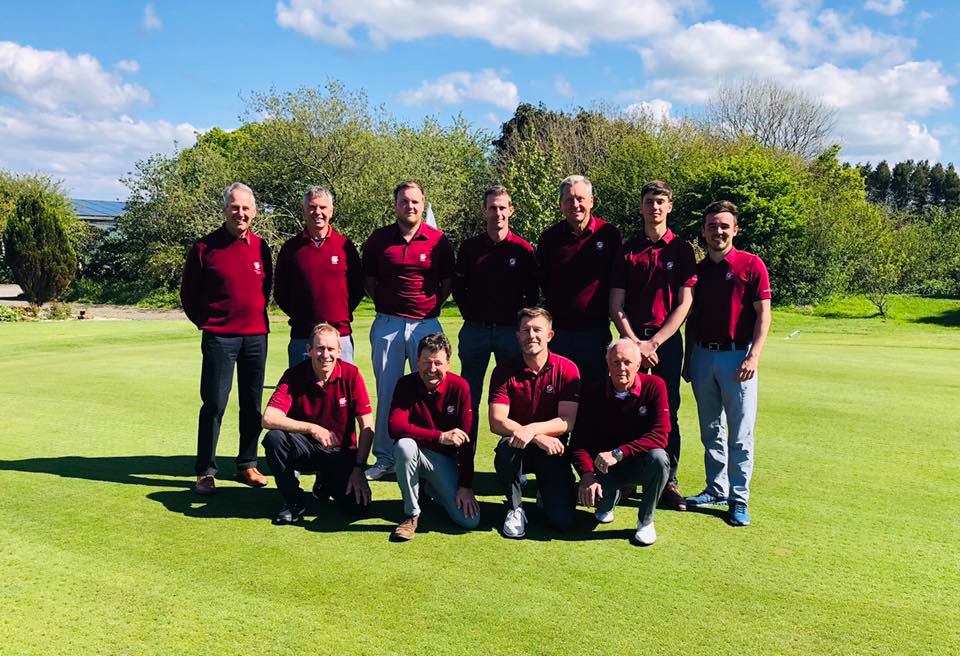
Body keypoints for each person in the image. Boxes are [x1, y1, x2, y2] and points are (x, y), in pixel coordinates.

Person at [683, 200, 772, 527]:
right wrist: (689, 358)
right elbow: (691, 319)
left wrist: (754, 355)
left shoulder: (751, 265)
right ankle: (716, 488)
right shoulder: (698, 271)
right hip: (703, 356)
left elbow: (764, 315)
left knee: (740, 433)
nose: (717, 232)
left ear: (735, 229)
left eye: (724, 226)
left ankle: (738, 498)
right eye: (712, 226)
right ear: (704, 231)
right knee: (711, 430)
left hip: (739, 357)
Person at [180, 182, 272, 496]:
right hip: (220, 337)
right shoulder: (204, 248)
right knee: (215, 403)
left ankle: (247, 463)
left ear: (254, 212)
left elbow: (265, 288)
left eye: (246, 208)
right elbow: (189, 295)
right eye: (235, 207)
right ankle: (205, 471)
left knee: (252, 404)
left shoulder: (260, 247)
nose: (240, 213)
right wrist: (208, 323)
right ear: (225, 210)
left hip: (255, 336)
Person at [609, 180, 696, 511]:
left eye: (660, 201)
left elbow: (685, 303)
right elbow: (615, 305)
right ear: (641, 206)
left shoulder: (682, 249)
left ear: (669, 206)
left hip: (667, 344)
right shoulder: (627, 249)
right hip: (630, 341)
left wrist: (655, 342)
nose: (654, 207)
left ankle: (668, 480)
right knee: (625, 406)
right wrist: (636, 344)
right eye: (649, 201)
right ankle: (626, 476)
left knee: (667, 409)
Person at [362, 181, 455, 481]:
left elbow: (446, 283)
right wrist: (390, 305)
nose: (410, 206)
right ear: (396, 205)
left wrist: (427, 308)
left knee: (430, 390)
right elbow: (370, 282)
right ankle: (385, 457)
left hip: (426, 324)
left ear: (422, 203)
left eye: (415, 201)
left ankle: (428, 454)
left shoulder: (439, 240)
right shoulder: (379, 239)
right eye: (404, 201)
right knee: (388, 391)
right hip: (388, 323)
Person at [261, 323, 374, 524]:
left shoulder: (352, 375)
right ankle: (293, 502)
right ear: (309, 350)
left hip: (340, 452)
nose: (325, 355)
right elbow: (268, 418)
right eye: (320, 348)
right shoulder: (294, 375)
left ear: (339, 351)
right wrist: (312, 428)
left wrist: (359, 468)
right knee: (274, 439)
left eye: (331, 349)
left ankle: (325, 481)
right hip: (304, 448)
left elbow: (367, 426)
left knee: (358, 507)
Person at [452, 184, 538, 445]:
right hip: (475, 330)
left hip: (509, 332)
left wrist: (520, 326)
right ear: (484, 210)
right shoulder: (469, 248)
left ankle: (513, 455)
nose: (497, 213)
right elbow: (458, 288)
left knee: (515, 394)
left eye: (502, 208)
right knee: (469, 397)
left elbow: (532, 294)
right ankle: (464, 457)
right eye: (492, 208)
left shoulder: (523, 250)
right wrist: (471, 313)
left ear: (511, 210)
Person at [490, 307, 580, 538]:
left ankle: (545, 490)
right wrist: (536, 437)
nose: (531, 335)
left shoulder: (567, 368)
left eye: (537, 330)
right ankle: (515, 507)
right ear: (517, 335)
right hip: (517, 446)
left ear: (549, 335)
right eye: (526, 330)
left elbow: (567, 421)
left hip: (553, 449)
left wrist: (532, 430)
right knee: (505, 450)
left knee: (562, 521)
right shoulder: (503, 371)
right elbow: (497, 421)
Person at [571, 339, 670, 546]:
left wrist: (619, 453)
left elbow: (660, 434)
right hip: (603, 468)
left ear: (638, 364)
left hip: (638, 463)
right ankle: (609, 499)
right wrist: (587, 475)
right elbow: (579, 441)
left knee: (659, 458)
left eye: (627, 362)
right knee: (592, 508)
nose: (621, 368)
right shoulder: (593, 391)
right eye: (615, 362)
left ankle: (645, 521)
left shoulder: (655, 385)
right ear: (607, 364)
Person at [388, 333, 479, 541]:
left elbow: (467, 442)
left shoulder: (460, 387)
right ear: (417, 361)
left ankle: (430, 488)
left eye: (438, 363)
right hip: (416, 452)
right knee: (404, 446)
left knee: (469, 521)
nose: (431, 368)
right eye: (426, 362)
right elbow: (395, 427)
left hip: (444, 461)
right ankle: (411, 514)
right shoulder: (405, 384)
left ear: (448, 363)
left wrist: (465, 486)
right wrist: (439, 436)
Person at [536, 175, 621, 386]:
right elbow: (543, 282)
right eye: (569, 200)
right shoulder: (549, 238)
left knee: (595, 395)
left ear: (592, 201)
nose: (575, 204)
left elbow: (618, 281)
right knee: (557, 393)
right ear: (560, 205)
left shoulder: (609, 235)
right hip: (559, 334)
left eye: (581, 199)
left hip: (596, 333)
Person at [274, 186, 364, 367]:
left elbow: (357, 289)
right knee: (301, 386)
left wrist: (338, 314)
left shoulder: (345, 246)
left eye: (323, 207)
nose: (318, 212)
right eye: (312, 207)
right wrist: (303, 316)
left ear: (331, 211)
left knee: (342, 385)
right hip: (303, 337)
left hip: (340, 336)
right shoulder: (291, 248)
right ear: (304, 210)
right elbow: (281, 293)